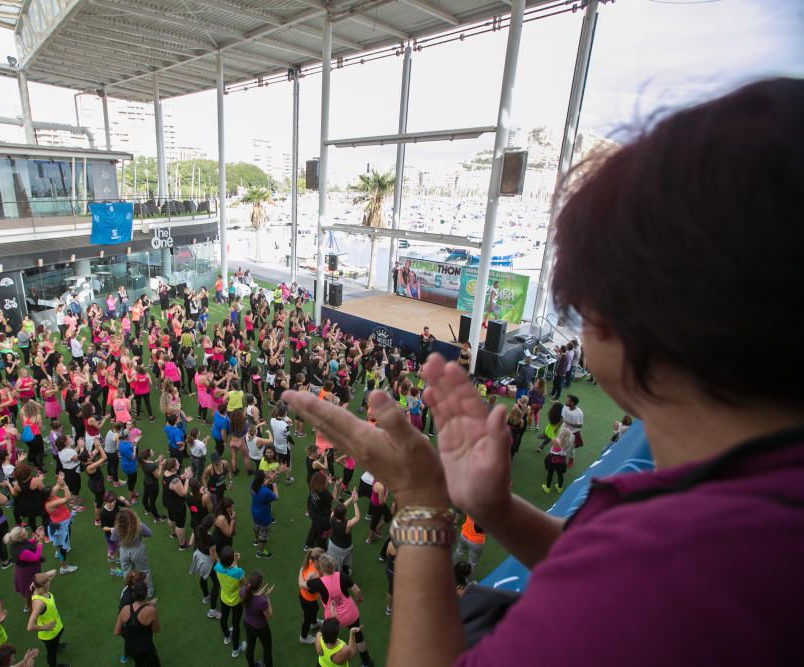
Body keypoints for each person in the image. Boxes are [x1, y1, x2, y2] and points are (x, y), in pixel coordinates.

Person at [281, 80, 804, 667]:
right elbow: (605, 564)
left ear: (626, 307)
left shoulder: (683, 577)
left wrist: (422, 505)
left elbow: (634, 584)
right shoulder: (746, 510)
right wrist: (499, 511)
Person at [113, 574, 161, 666]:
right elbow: (156, 630)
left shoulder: (124, 610)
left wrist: (131, 631)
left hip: (132, 647)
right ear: (146, 593)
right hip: (146, 647)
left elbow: (116, 632)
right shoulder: (151, 611)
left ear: (133, 594)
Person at [26, 570, 68, 667]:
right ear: (38, 587)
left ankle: (57, 646)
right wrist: (46, 627)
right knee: (51, 653)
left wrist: (37, 580)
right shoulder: (39, 603)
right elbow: (29, 626)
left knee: (58, 638)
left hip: (56, 626)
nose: (47, 588)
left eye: (48, 585)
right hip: (49, 635)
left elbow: (54, 572)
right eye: (45, 587)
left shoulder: (41, 587)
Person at [214, 546, 247, 658]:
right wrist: (236, 563)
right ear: (232, 559)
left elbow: (223, 566)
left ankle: (227, 637)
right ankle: (236, 649)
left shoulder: (217, 566)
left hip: (224, 598)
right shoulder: (238, 572)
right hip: (236, 601)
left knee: (224, 617)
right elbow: (244, 586)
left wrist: (234, 561)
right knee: (236, 624)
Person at [113, 508, 155, 593]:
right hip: (137, 550)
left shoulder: (116, 529)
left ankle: (129, 590)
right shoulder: (138, 525)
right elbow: (150, 533)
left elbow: (114, 540)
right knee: (144, 571)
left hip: (123, 551)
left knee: (127, 573)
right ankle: (149, 590)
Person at [240, 571, 275, 667]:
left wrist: (260, 594)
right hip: (261, 628)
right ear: (260, 585)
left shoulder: (243, 591)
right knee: (267, 649)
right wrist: (267, 597)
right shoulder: (262, 601)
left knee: (250, 646)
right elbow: (269, 615)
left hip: (247, 624)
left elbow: (252, 599)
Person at [326, 490, 361, 573]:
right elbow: (357, 517)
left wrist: (351, 498)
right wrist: (355, 502)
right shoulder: (347, 524)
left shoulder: (332, 516)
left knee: (334, 562)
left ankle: (336, 572)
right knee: (344, 561)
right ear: (344, 514)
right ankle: (343, 573)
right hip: (343, 548)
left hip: (332, 544)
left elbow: (342, 506)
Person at [249, 469, 278, 559]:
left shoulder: (253, 484)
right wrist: (274, 483)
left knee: (256, 526)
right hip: (264, 515)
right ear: (262, 479)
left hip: (254, 511)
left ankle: (256, 540)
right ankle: (260, 552)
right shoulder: (265, 492)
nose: (267, 474)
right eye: (266, 475)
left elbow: (262, 485)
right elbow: (276, 497)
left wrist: (269, 478)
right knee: (264, 534)